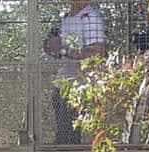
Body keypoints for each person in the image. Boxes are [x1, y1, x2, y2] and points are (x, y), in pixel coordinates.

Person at [43, 0, 105, 144]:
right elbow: (61, 49)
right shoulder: (67, 18)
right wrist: (52, 48)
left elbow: (97, 52)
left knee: (68, 135)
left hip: (79, 86)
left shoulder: (90, 17)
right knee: (62, 131)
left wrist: (65, 51)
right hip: (62, 84)